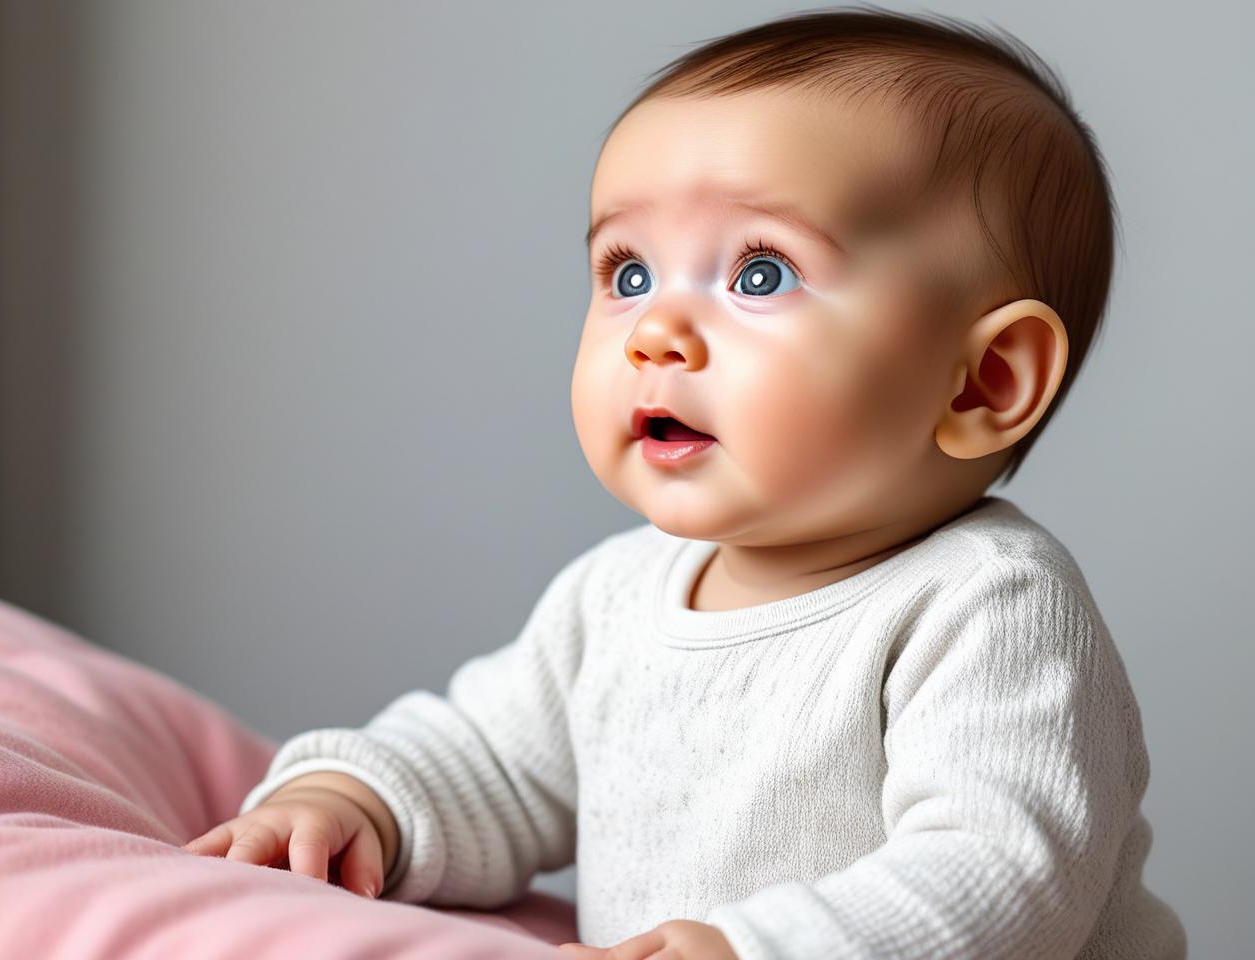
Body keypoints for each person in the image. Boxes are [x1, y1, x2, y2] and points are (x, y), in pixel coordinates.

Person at [182, 7, 1188, 958]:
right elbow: (493, 762)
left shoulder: (984, 604)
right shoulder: (617, 596)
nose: (653, 332)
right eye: (626, 273)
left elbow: (1003, 875)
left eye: (759, 273)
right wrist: (358, 804)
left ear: (981, 381)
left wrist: (752, 948)